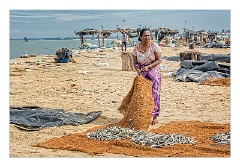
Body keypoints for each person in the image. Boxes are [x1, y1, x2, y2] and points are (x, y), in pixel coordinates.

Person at [132, 28, 162, 125]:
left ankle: (155, 116)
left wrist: (148, 67)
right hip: (142, 73)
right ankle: (142, 116)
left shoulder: (154, 46)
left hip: (153, 72)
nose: (147, 37)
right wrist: (139, 72)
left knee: (154, 94)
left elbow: (158, 60)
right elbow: (135, 63)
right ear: (140, 37)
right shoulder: (136, 49)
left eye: (149, 35)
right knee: (142, 95)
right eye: (145, 35)